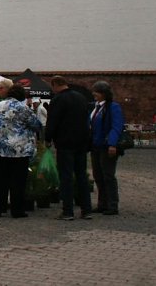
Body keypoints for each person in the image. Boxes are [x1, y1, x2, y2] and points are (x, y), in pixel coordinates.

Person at [0, 84, 40, 218]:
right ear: (22, 96)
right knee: (18, 180)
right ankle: (17, 210)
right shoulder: (24, 109)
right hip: (18, 150)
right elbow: (36, 125)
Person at [44, 76, 93, 221]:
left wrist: (48, 138)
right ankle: (86, 209)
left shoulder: (58, 100)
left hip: (65, 143)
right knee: (81, 176)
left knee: (66, 177)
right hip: (81, 142)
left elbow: (52, 121)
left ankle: (68, 211)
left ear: (54, 85)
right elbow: (86, 119)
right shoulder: (81, 97)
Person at [89, 81, 124, 215]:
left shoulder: (113, 107)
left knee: (108, 175)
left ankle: (112, 204)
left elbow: (116, 126)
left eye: (96, 92)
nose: (94, 94)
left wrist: (112, 144)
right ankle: (102, 203)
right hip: (96, 145)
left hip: (106, 146)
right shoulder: (96, 107)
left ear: (103, 93)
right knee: (98, 175)